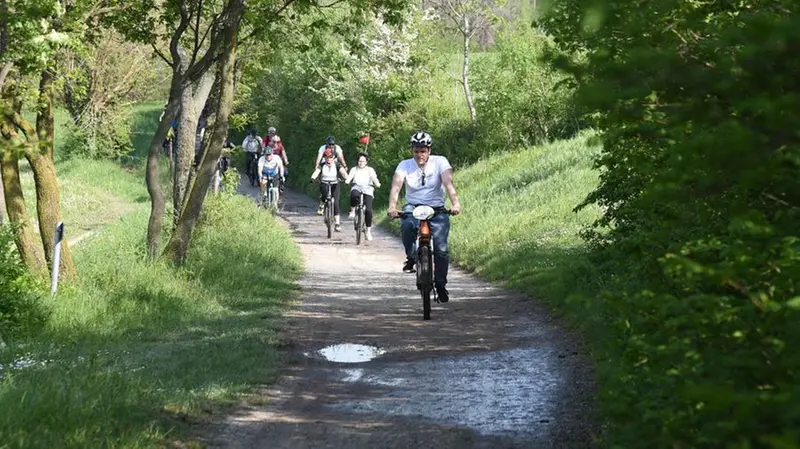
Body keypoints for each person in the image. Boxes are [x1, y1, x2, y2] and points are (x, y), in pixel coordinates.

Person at [387, 131, 461, 303]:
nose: (419, 155)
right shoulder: (404, 165)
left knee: (441, 249)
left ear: (429, 150)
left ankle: (441, 284)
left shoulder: (440, 161)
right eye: (416, 151)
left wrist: (455, 203)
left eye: (423, 151)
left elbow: (448, 183)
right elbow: (396, 187)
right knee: (406, 226)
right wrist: (392, 206)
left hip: (436, 208)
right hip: (413, 206)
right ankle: (412, 256)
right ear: (412, 151)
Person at [345, 152, 381, 241]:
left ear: (366, 162)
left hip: (368, 188)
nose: (361, 163)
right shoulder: (354, 169)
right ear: (357, 161)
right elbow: (350, 177)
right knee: (353, 194)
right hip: (357, 186)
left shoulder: (370, 170)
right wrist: (347, 181)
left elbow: (374, 178)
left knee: (369, 210)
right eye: (360, 161)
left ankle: (368, 230)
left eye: (363, 161)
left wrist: (377, 183)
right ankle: (353, 211)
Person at [311, 151, 347, 231]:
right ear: (325, 158)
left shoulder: (337, 165)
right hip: (324, 183)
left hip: (335, 184)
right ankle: (323, 205)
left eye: (330, 158)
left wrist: (346, 178)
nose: (329, 160)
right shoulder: (322, 165)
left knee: (336, 203)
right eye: (327, 158)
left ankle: (337, 223)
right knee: (324, 196)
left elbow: (343, 172)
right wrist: (313, 178)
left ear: (333, 158)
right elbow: (317, 171)